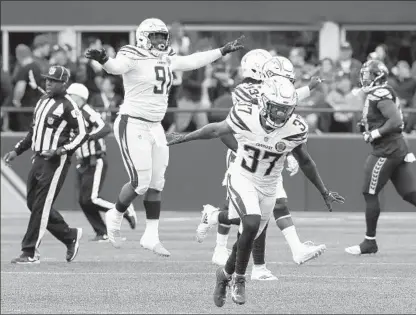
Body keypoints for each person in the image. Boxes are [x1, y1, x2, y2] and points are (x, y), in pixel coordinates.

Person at [167, 76, 344, 306]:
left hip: (269, 186)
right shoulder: (245, 114)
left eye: (285, 110)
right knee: (250, 222)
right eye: (276, 109)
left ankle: (224, 274)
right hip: (242, 176)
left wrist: (323, 191)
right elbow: (216, 130)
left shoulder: (295, 128)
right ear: (263, 103)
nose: (281, 115)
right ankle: (240, 279)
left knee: (245, 238)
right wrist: (183, 137)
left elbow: (306, 161)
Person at [84, 17, 244, 255]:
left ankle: (151, 236)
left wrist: (221, 51)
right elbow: (116, 68)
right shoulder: (132, 53)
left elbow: (192, 61)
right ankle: (115, 213)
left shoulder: (166, 56)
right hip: (133, 122)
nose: (160, 40)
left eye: (162, 36)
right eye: (155, 36)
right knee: (140, 182)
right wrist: (104, 59)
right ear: (142, 36)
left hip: (155, 126)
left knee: (157, 183)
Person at [197, 53, 328, 282]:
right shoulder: (248, 93)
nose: (287, 84)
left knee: (272, 207)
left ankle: (270, 259)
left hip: (268, 158)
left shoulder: (276, 95)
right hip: (247, 156)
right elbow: (243, 127)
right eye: (283, 79)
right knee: (249, 216)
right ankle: (223, 230)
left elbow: (286, 107)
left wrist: (309, 88)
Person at [345, 60, 416, 256]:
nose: (365, 78)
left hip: (386, 149)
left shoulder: (381, 93)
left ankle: (370, 242)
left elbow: (395, 121)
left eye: (369, 75)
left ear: (378, 76)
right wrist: (367, 126)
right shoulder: (378, 93)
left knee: (369, 192)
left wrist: (374, 133)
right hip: (395, 147)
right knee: (409, 192)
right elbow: (385, 118)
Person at [3, 65, 87, 264]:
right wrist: (17, 150)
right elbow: (34, 132)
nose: (48, 83)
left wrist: (60, 150)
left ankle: (30, 251)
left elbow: (83, 134)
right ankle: (69, 236)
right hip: (38, 158)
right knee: (33, 204)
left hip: (55, 162)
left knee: (40, 206)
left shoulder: (69, 105)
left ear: (63, 83)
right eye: (47, 79)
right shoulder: (42, 101)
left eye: (53, 80)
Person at [66, 83, 137, 242]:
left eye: (71, 96)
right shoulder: (73, 114)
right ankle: (101, 232)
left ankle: (123, 210)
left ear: (79, 97)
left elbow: (105, 128)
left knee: (91, 198)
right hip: (82, 161)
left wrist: (89, 136)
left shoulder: (87, 111)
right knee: (83, 201)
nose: (69, 99)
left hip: (94, 159)